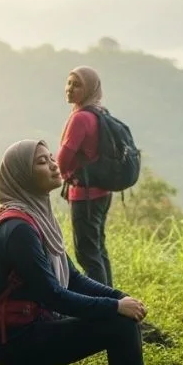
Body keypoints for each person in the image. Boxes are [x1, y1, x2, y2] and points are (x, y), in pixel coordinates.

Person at [0, 139, 181, 365]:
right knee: (120, 326)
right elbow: (54, 295)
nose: (53, 164)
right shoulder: (19, 230)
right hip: (15, 343)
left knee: (123, 316)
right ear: (20, 175)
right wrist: (115, 309)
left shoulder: (36, 219)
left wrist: (119, 297)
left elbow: (72, 278)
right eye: (41, 162)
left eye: (50, 158)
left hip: (33, 326)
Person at [57, 65, 114, 286]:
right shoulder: (99, 112)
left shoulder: (80, 118)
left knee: (87, 254)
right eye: (69, 83)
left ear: (89, 88)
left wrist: (56, 176)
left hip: (84, 195)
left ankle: (102, 305)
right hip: (102, 192)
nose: (70, 89)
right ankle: (111, 297)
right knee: (98, 248)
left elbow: (64, 157)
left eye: (77, 84)